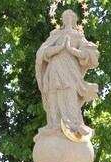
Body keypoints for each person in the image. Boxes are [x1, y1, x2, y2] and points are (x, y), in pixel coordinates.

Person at [35, 9, 100, 141]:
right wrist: (58, 48)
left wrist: (71, 49)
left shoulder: (78, 35)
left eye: (70, 16)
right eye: (64, 16)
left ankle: (72, 124)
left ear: (75, 19)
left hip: (71, 70)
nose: (67, 18)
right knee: (53, 93)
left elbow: (89, 53)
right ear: (61, 19)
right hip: (54, 68)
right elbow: (43, 53)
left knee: (70, 93)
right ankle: (54, 124)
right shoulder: (55, 34)